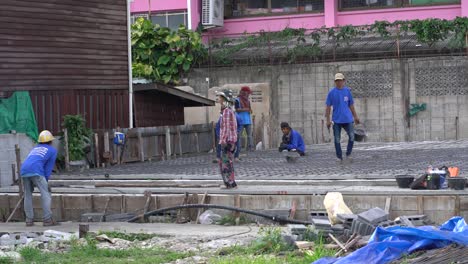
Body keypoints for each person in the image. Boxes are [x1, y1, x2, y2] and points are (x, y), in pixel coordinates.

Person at [20, 130, 58, 226]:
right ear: (51, 141)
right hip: (36, 170)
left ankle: (29, 220)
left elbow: (31, 160)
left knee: (27, 194)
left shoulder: (35, 148)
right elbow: (48, 168)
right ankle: (47, 219)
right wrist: (45, 181)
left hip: (24, 170)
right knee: (45, 193)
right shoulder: (52, 150)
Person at [325, 73, 360, 163]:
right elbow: (328, 107)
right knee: (337, 139)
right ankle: (339, 157)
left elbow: (351, 105)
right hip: (336, 120)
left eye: (340, 80)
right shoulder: (331, 93)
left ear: (344, 81)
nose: (339, 82)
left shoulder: (347, 91)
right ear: (335, 82)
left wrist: (355, 116)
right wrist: (328, 120)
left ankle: (348, 154)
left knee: (352, 136)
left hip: (348, 119)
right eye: (337, 81)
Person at [216, 89, 238, 189]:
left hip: (227, 141)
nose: (218, 99)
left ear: (224, 99)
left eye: (220, 97)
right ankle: (232, 183)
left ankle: (229, 183)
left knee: (225, 162)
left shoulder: (226, 112)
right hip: (231, 141)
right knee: (228, 161)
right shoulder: (230, 111)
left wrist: (223, 141)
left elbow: (226, 128)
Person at [235, 86, 253, 152]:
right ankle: (238, 148)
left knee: (249, 135)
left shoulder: (248, 101)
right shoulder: (237, 100)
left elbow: (250, 109)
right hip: (240, 121)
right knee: (239, 135)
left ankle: (250, 148)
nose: (248, 94)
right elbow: (237, 109)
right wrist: (246, 109)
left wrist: (250, 111)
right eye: (248, 93)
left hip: (248, 120)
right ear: (244, 92)